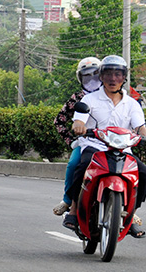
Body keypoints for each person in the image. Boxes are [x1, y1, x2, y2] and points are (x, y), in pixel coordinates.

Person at [63, 55, 146, 238]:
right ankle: (74, 210)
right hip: (94, 147)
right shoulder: (89, 100)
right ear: (101, 76)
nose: (113, 79)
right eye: (108, 74)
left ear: (124, 77)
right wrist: (78, 125)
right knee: (81, 167)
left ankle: (130, 216)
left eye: (118, 74)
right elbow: (79, 118)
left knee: (145, 174)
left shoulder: (132, 104)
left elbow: (140, 127)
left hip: (124, 149)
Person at [52, 57, 101, 216]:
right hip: (86, 142)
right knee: (74, 164)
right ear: (80, 78)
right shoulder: (77, 98)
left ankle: (126, 208)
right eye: (86, 76)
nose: (91, 79)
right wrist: (72, 141)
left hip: (113, 142)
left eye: (95, 74)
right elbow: (59, 121)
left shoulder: (114, 95)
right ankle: (68, 200)